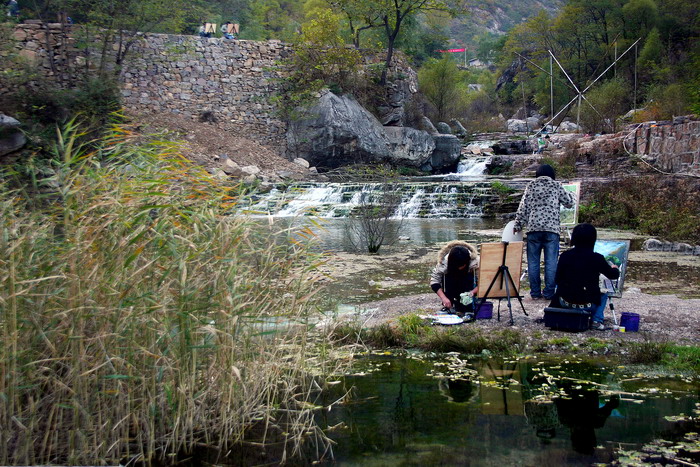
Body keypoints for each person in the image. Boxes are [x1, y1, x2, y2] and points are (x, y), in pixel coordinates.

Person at [514, 164, 575, 300]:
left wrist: (518, 224)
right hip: (552, 230)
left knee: (533, 262)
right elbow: (569, 203)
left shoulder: (531, 186)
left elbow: (523, 207)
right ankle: (548, 293)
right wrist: (573, 194)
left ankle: (535, 293)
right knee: (551, 262)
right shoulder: (556, 185)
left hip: (533, 229)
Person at [551, 223, 620, 330]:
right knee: (604, 293)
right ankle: (596, 320)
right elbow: (613, 275)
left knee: (562, 286)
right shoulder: (597, 258)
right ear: (593, 239)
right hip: (587, 305)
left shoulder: (565, 255)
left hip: (564, 302)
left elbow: (557, 279)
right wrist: (615, 268)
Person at [430, 241, 479, 319]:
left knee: (469, 278)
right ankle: (449, 305)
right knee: (446, 277)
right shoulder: (443, 262)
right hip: (450, 281)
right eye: (458, 266)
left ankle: (468, 308)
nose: (459, 268)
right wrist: (444, 298)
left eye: (462, 266)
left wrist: (472, 292)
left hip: (468, 285)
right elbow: (434, 281)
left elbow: (483, 283)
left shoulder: (475, 262)